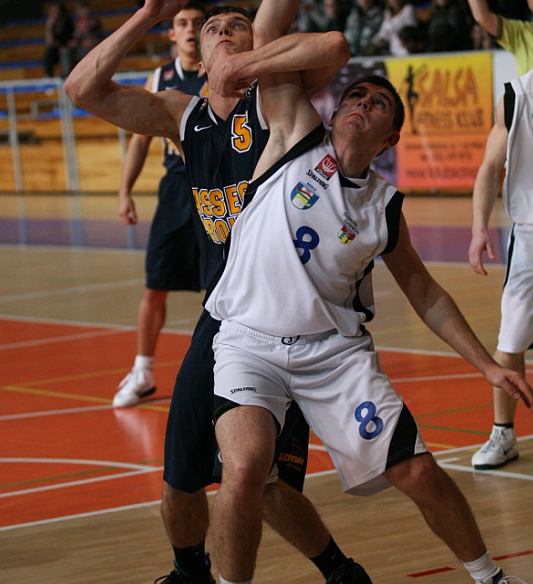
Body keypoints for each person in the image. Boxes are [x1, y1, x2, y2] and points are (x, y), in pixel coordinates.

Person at [65, 0, 372, 584]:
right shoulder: (184, 117)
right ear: (196, 59)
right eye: (212, 29)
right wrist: (147, 15)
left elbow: (325, 44)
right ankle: (188, 571)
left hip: (286, 320)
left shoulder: (276, 105)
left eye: (237, 26)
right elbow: (82, 89)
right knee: (179, 482)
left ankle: (339, 570)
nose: (225, 32)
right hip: (220, 319)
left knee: (260, 484)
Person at [204, 72, 533, 584]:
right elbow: (282, 48)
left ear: (390, 138)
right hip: (249, 343)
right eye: (355, 96)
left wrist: (487, 366)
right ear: (334, 112)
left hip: (332, 355)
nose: (363, 104)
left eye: (378, 104)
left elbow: (424, 292)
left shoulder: (383, 205)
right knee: (245, 471)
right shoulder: (293, 141)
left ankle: (490, 577)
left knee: (418, 470)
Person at [112, 2, 207, 408]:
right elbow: (140, 139)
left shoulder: (224, 72)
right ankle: (143, 370)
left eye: (197, 23)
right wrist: (124, 190)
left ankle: (226, 369)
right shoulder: (160, 77)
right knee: (155, 284)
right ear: (171, 33)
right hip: (175, 190)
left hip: (216, 186)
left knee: (222, 286)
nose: (189, 29)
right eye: (182, 23)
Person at [468, 70, 533, 469]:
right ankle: (503, 435)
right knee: (510, 339)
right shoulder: (516, 96)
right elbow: (491, 167)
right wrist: (479, 228)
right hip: (528, 236)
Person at [42, 1, 74, 78]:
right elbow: (50, 43)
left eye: (56, 11)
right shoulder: (51, 25)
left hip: (69, 49)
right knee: (49, 51)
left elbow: (71, 39)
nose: (54, 14)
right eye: (52, 12)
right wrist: (49, 28)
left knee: (65, 52)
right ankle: (48, 75)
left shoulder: (68, 23)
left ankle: (66, 75)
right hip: (58, 50)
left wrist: (63, 47)